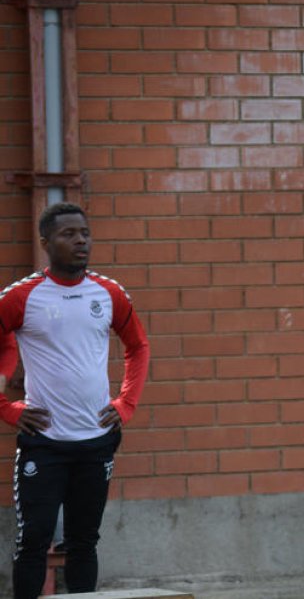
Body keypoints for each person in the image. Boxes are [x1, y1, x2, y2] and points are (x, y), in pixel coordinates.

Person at [0, 202, 149, 598]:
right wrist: (7, 408)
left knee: (84, 543)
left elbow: (138, 347)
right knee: (33, 541)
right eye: (69, 234)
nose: (80, 240)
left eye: (84, 232)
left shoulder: (109, 293)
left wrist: (125, 404)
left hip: (95, 440)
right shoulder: (21, 297)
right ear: (46, 242)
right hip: (43, 444)